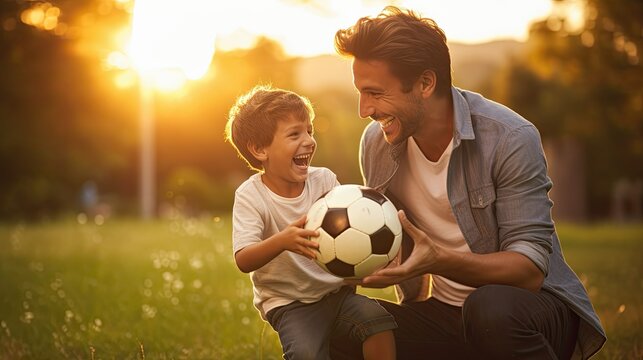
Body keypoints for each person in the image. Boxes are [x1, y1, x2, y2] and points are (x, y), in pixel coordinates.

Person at [330, 6, 606, 360]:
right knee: (338, 323)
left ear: (426, 83)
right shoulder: (376, 142)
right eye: (360, 93)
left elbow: (529, 271)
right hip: (446, 315)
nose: (363, 109)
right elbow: (386, 237)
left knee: (488, 308)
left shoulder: (509, 137)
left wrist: (437, 261)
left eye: (375, 93)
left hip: (528, 311)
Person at [225, 84, 397, 360]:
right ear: (259, 149)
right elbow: (244, 259)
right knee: (306, 352)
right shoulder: (251, 196)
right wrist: (284, 240)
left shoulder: (324, 181)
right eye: (294, 134)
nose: (308, 140)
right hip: (291, 303)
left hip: (336, 292)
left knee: (377, 321)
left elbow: (352, 228)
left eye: (309, 130)